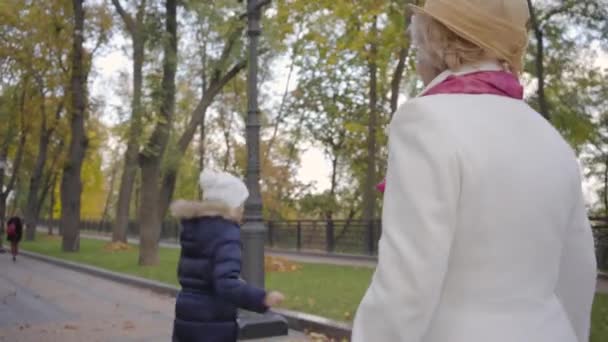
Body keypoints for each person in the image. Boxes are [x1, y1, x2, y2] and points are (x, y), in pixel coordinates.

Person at [352, 1, 597, 342]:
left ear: (434, 41)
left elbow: (407, 284)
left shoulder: (425, 121)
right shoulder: (550, 137)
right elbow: (578, 274)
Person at [170, 170, 285, 342]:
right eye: (241, 206)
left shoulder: (194, 228)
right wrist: (262, 298)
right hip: (211, 323)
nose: (243, 211)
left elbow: (187, 273)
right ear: (230, 206)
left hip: (186, 315)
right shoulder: (226, 233)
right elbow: (225, 284)